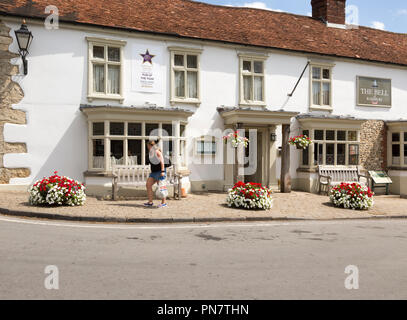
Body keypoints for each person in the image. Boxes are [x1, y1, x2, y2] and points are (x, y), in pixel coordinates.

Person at [144, 140, 167, 208]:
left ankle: (164, 202)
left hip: (160, 171)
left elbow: (162, 162)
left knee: (161, 187)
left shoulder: (157, 152)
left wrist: (162, 171)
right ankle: (150, 202)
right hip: (153, 172)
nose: (147, 147)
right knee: (148, 185)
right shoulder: (150, 153)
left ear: (151, 145)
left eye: (148, 146)